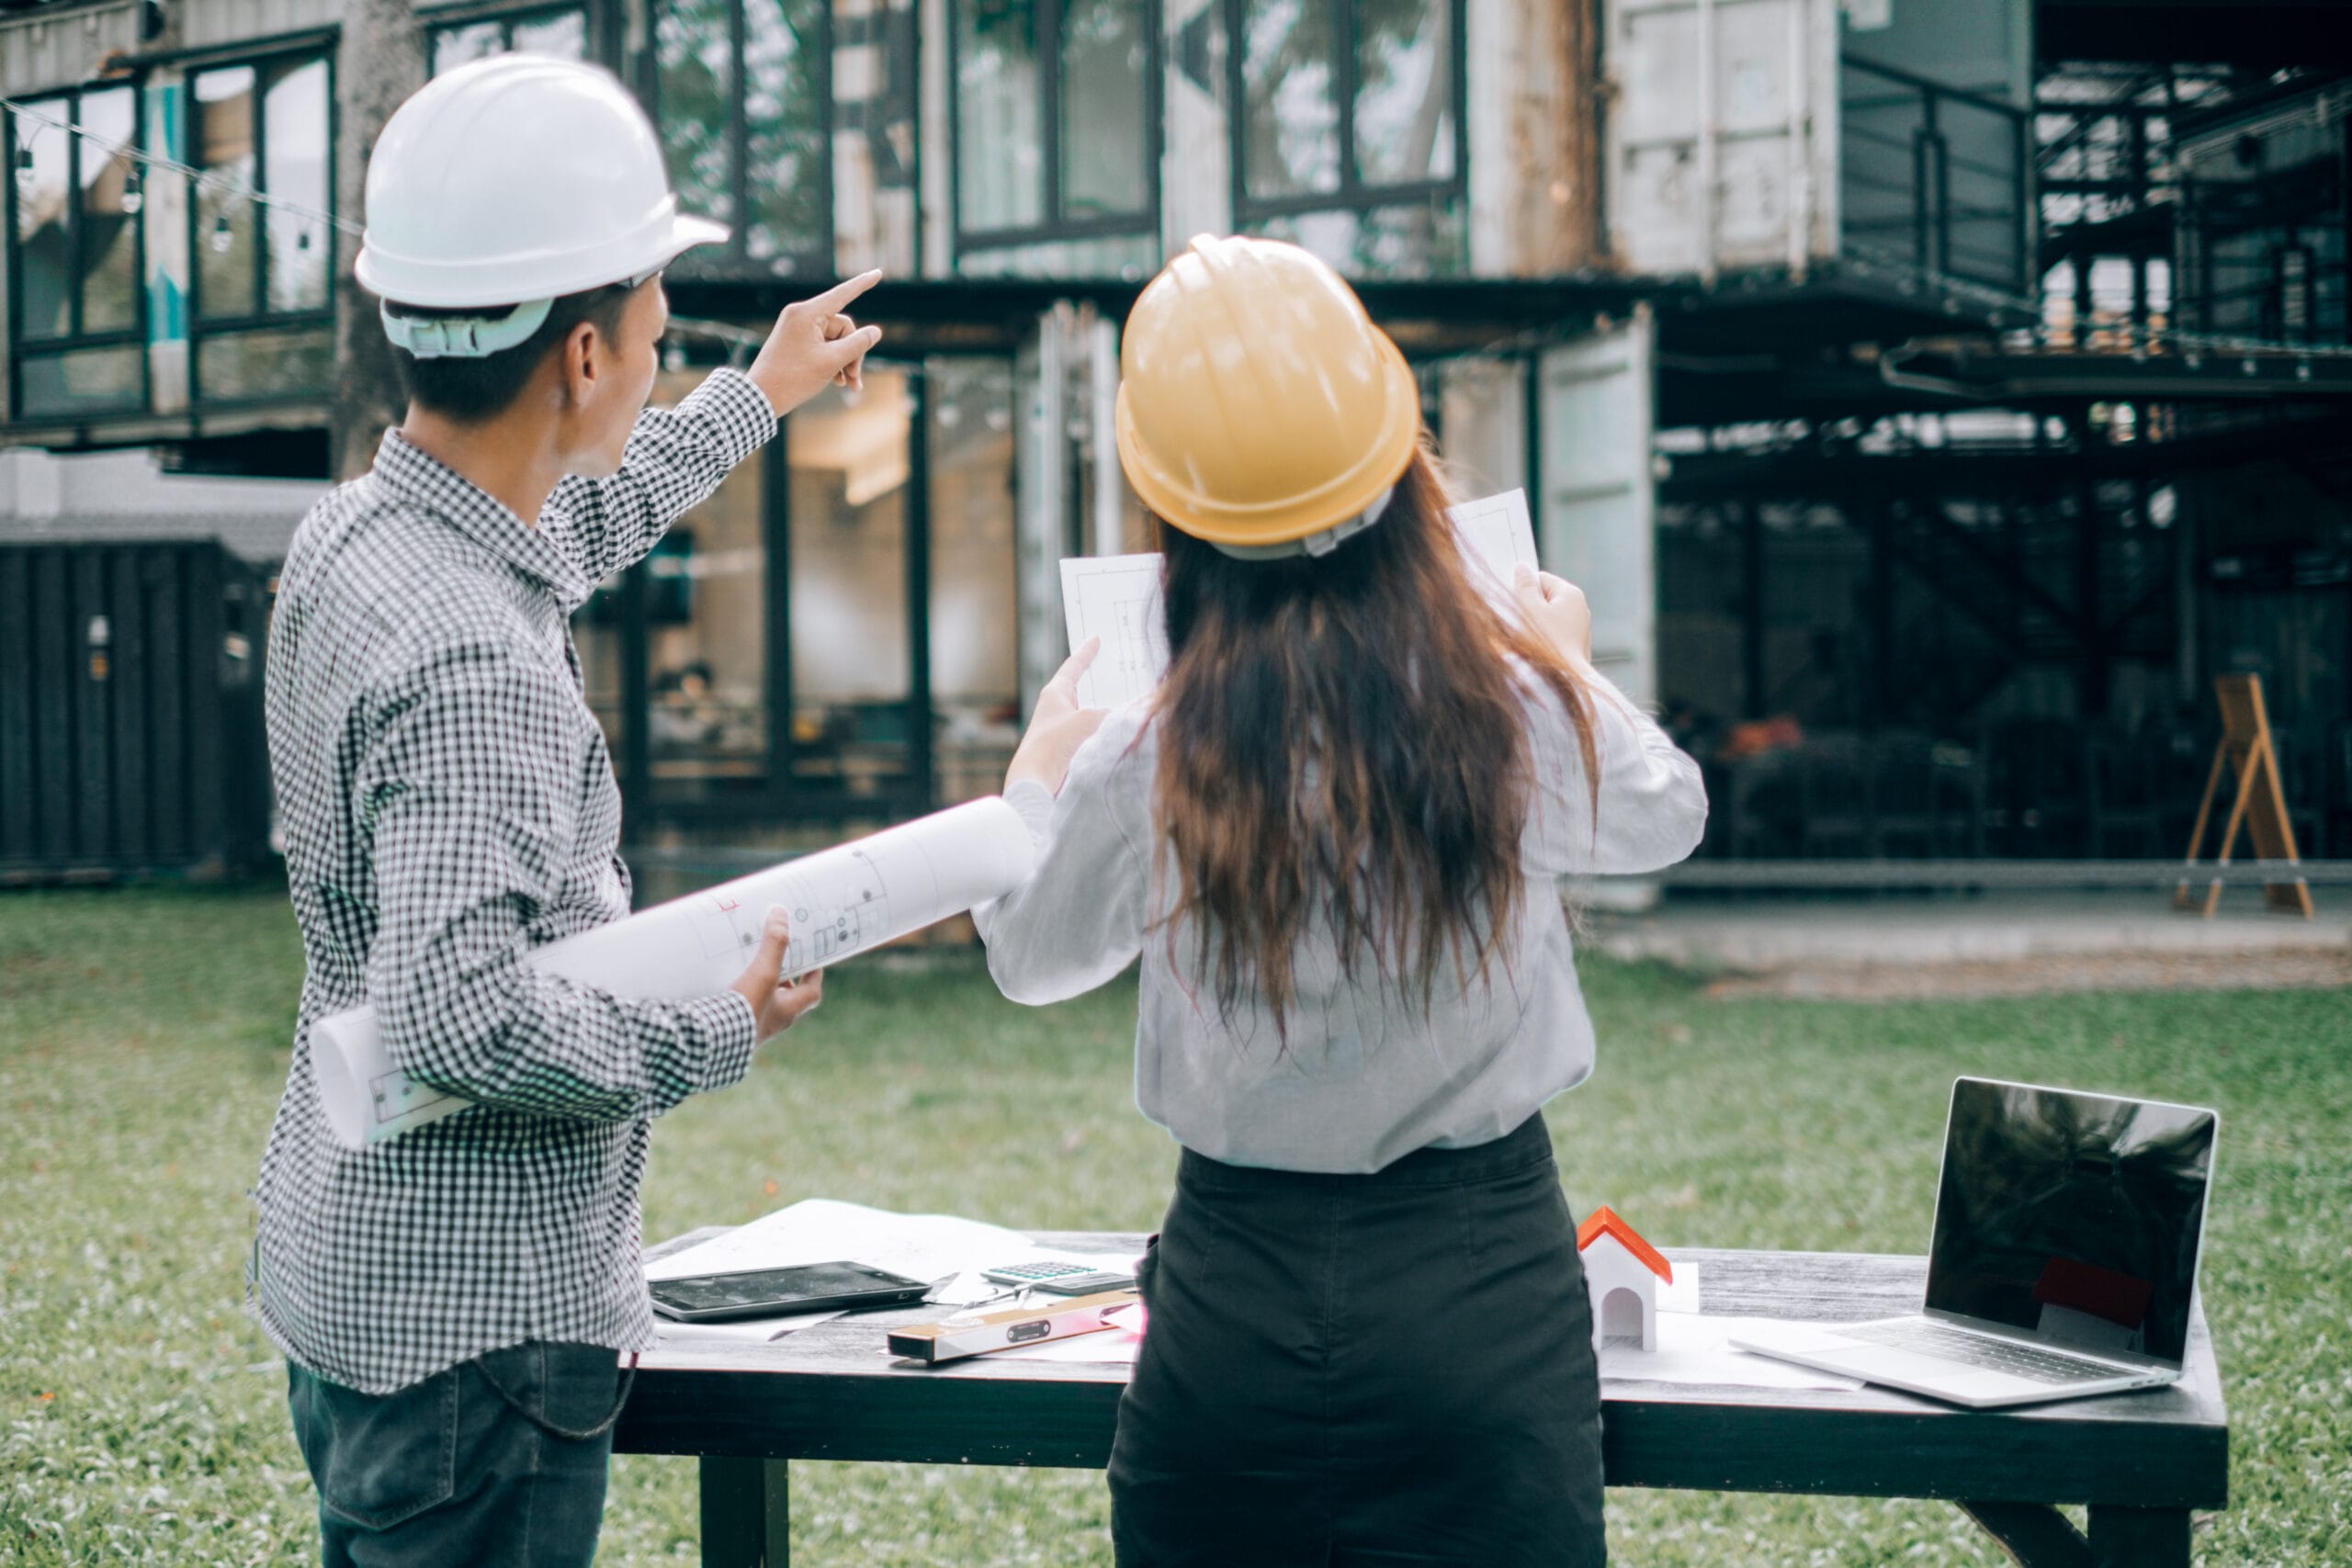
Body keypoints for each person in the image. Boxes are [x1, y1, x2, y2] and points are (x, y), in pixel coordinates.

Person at [975, 234, 1710, 1567]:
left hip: (1228, 1298)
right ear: (1399, 466)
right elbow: (1667, 814)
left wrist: (1040, 771)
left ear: (1174, 512)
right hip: (1484, 1283)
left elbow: (1030, 956)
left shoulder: (1147, 746)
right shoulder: (1508, 705)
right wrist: (1564, 664)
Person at [252, 56, 879, 1566]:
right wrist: (722, 1031)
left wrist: (755, 393)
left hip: (362, 1282)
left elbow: (566, 521)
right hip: (478, 1354)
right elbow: (458, 1019)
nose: (663, 361)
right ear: (583, 358)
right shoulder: (473, 656)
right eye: (663, 338)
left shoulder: (366, 535)